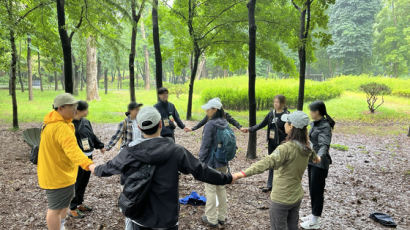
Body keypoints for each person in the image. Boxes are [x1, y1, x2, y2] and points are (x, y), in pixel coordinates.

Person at [89, 107, 233, 230]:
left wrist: (93, 167)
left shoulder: (129, 152)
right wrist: (228, 178)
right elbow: (201, 170)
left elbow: (108, 168)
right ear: (160, 125)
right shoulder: (176, 151)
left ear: (139, 127)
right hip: (167, 218)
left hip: (139, 217)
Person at [232, 111, 321, 230]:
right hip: (296, 197)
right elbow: (316, 158)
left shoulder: (286, 148)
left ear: (291, 126)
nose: (284, 124)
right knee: (292, 226)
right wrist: (317, 158)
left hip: (281, 199)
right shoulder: (306, 147)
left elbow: (266, 163)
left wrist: (241, 174)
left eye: (286, 122)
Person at [37, 93, 95, 230]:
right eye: (72, 106)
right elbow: (73, 151)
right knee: (55, 210)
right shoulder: (60, 127)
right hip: (57, 176)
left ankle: (61, 226)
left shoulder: (55, 123)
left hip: (61, 174)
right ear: (61, 108)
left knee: (63, 206)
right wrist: (89, 164)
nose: (76, 109)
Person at [242, 95, 289, 192]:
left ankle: (280, 185)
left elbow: (290, 130)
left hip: (282, 144)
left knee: (281, 165)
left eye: (278, 102)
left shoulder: (287, 115)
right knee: (271, 163)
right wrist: (250, 129)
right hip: (272, 143)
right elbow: (261, 124)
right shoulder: (271, 114)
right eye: (274, 102)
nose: (275, 104)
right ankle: (269, 184)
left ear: (283, 103)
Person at [300, 101, 335, 230]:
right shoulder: (314, 123)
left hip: (320, 163)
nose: (310, 113)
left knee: (317, 190)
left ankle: (315, 220)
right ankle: (313, 214)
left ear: (318, 112)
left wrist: (319, 156)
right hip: (312, 160)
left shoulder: (325, 126)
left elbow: (324, 144)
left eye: (312, 111)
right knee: (312, 188)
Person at [198, 98, 232, 228]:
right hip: (223, 161)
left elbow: (205, 146)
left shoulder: (210, 124)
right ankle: (221, 217)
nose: (206, 111)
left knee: (210, 190)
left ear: (215, 110)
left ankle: (211, 218)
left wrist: (200, 162)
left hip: (211, 163)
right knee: (221, 188)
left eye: (209, 108)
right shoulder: (224, 122)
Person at [69, 101, 105, 218]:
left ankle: (79, 203)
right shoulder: (70, 124)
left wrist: (100, 145)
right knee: (77, 182)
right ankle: (72, 208)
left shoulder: (86, 121)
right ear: (79, 110)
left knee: (84, 182)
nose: (88, 111)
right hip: (78, 158)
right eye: (86, 109)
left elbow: (92, 135)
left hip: (88, 156)